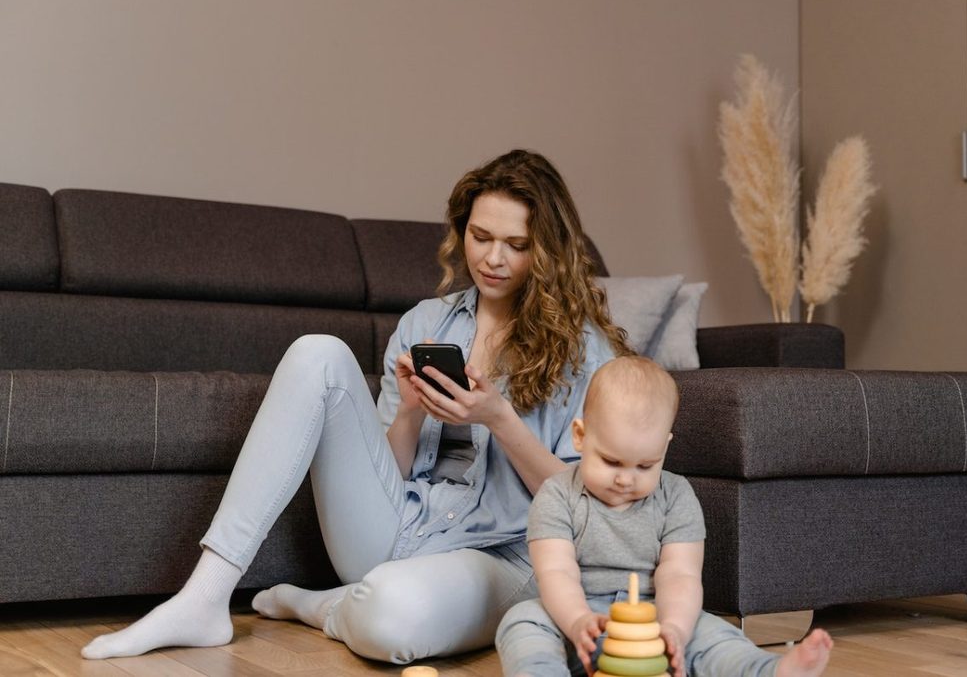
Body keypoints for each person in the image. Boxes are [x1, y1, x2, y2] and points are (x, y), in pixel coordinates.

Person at [81, 149, 632, 663]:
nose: (492, 258)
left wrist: (499, 419)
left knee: (390, 617)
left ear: (549, 252)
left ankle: (320, 605)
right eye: (480, 235)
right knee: (315, 353)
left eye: (516, 244)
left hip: (503, 555)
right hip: (399, 528)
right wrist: (412, 411)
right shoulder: (425, 323)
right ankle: (205, 596)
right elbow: (384, 473)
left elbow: (586, 512)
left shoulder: (590, 354)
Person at [496, 356, 833, 677]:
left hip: (654, 619)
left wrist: (674, 629)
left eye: (645, 465)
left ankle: (767, 670)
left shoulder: (676, 497)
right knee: (523, 621)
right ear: (581, 437)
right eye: (611, 462)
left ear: (664, 448)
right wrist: (577, 620)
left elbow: (680, 575)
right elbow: (556, 571)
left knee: (711, 631)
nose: (626, 479)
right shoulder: (556, 495)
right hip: (580, 620)